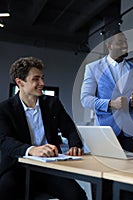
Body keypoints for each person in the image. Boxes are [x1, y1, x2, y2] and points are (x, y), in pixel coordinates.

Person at [0, 57, 87, 199]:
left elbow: (70, 129)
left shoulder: (53, 103)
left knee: (77, 195)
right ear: (20, 82)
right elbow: (4, 140)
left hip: (49, 167)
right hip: (17, 168)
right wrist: (31, 150)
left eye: (42, 78)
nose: (42, 83)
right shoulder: (4, 108)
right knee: (5, 191)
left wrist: (75, 145)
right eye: (36, 79)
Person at [81, 31, 133, 152]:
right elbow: (85, 99)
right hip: (105, 132)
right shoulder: (93, 68)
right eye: (120, 42)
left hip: (129, 133)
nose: (125, 45)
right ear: (109, 45)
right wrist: (111, 103)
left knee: (129, 169)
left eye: (126, 42)